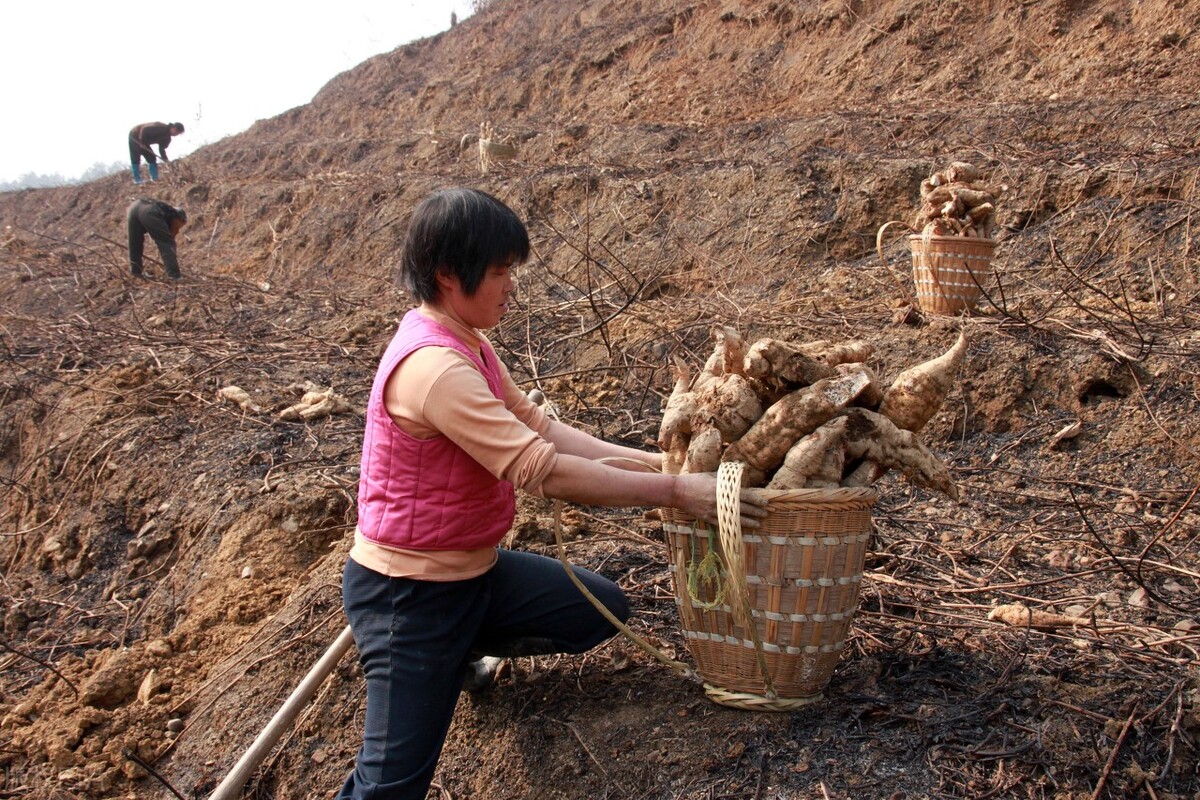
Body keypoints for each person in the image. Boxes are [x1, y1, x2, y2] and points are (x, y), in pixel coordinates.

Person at [338, 188, 767, 800]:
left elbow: (541, 426)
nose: (510, 285)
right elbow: (543, 468)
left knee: (598, 608)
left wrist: (656, 458)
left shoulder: (470, 343)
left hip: (472, 576)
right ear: (446, 275)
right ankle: (439, 659)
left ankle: (460, 652)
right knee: (391, 787)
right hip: (409, 598)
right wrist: (673, 490)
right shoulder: (435, 369)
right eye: (498, 271)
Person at [127, 199, 187, 279]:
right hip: (148, 212)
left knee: (135, 244)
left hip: (134, 208)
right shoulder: (172, 215)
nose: (178, 230)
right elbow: (167, 241)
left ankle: (135, 272)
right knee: (167, 243)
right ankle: (174, 276)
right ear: (179, 218)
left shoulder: (166, 211)